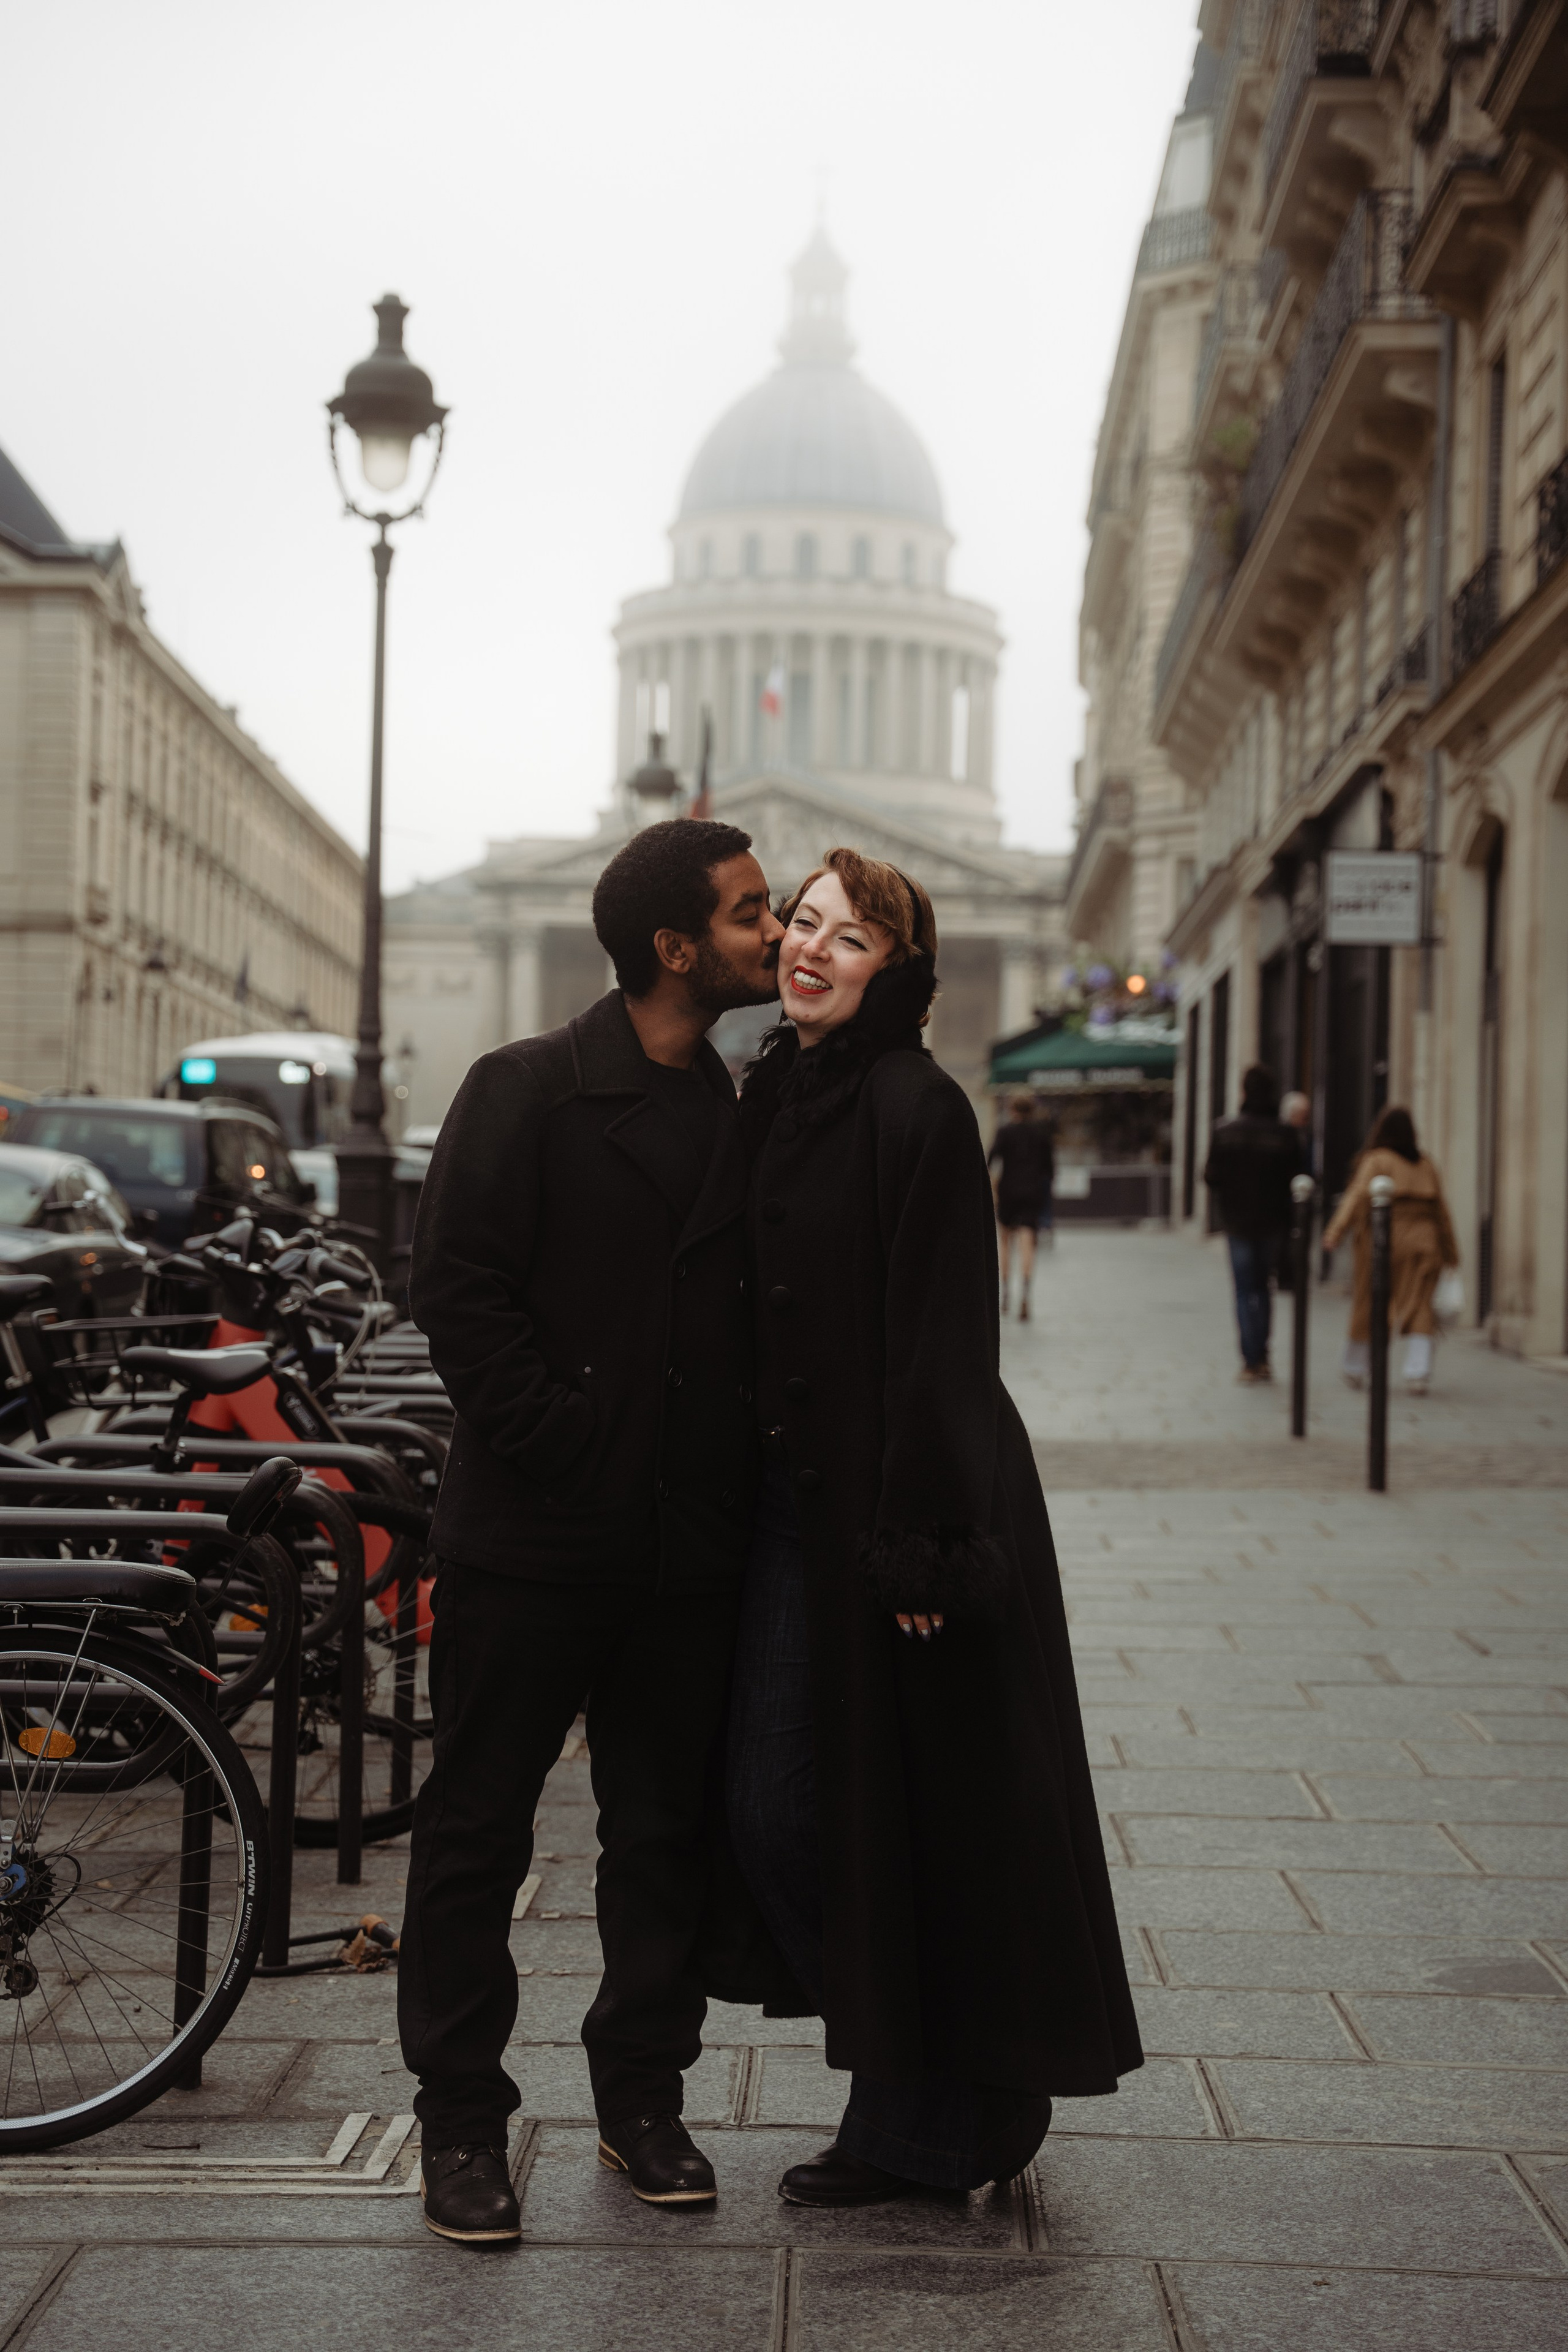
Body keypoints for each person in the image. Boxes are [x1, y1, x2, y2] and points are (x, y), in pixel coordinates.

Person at [726, 847, 1142, 2210]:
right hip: (791, 1511)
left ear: (893, 970)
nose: (809, 949)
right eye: (802, 923)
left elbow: (942, 1344)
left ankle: (933, 2107)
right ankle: (935, 2077)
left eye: (846, 939)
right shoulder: (770, 1091)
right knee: (781, 1813)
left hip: (902, 1509)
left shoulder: (918, 1106)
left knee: (912, 1816)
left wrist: (923, 1547)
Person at [399, 819, 789, 2242]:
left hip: (686, 1543)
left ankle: (640, 2095)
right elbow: (458, 1290)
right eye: (752, 912)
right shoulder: (526, 1088)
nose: (777, 928)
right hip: (536, 1532)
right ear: (675, 945)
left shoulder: (747, 1106)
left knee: (661, 1833)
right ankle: (458, 2121)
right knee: (476, 1830)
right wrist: (567, 1441)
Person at [1323, 1105, 1458, 1395]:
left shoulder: (1376, 1161)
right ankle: (1417, 1372)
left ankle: (1356, 1366)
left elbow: (1357, 1196)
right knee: (1420, 1305)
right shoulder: (1426, 1165)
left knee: (1369, 1302)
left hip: (1383, 1239)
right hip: (1425, 1240)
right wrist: (1451, 1253)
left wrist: (1336, 1231)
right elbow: (1441, 1212)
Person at [1203, 1064, 1299, 1384]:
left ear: (1244, 1092)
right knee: (1264, 1288)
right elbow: (1297, 1180)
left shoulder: (1225, 1130)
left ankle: (1250, 1359)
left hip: (1238, 1223)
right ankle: (1264, 1356)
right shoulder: (1285, 1135)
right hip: (1272, 1223)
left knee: (1245, 1291)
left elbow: (1210, 1176)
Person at [988, 1093, 1057, 1316]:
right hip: (1032, 1193)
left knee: (1006, 1243)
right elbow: (1050, 1170)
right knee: (1028, 1242)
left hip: (1009, 1192)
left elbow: (991, 1159)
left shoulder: (1005, 1132)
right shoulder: (1042, 1134)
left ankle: (1006, 1292)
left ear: (1012, 1111)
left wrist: (993, 1185)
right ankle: (1026, 1292)